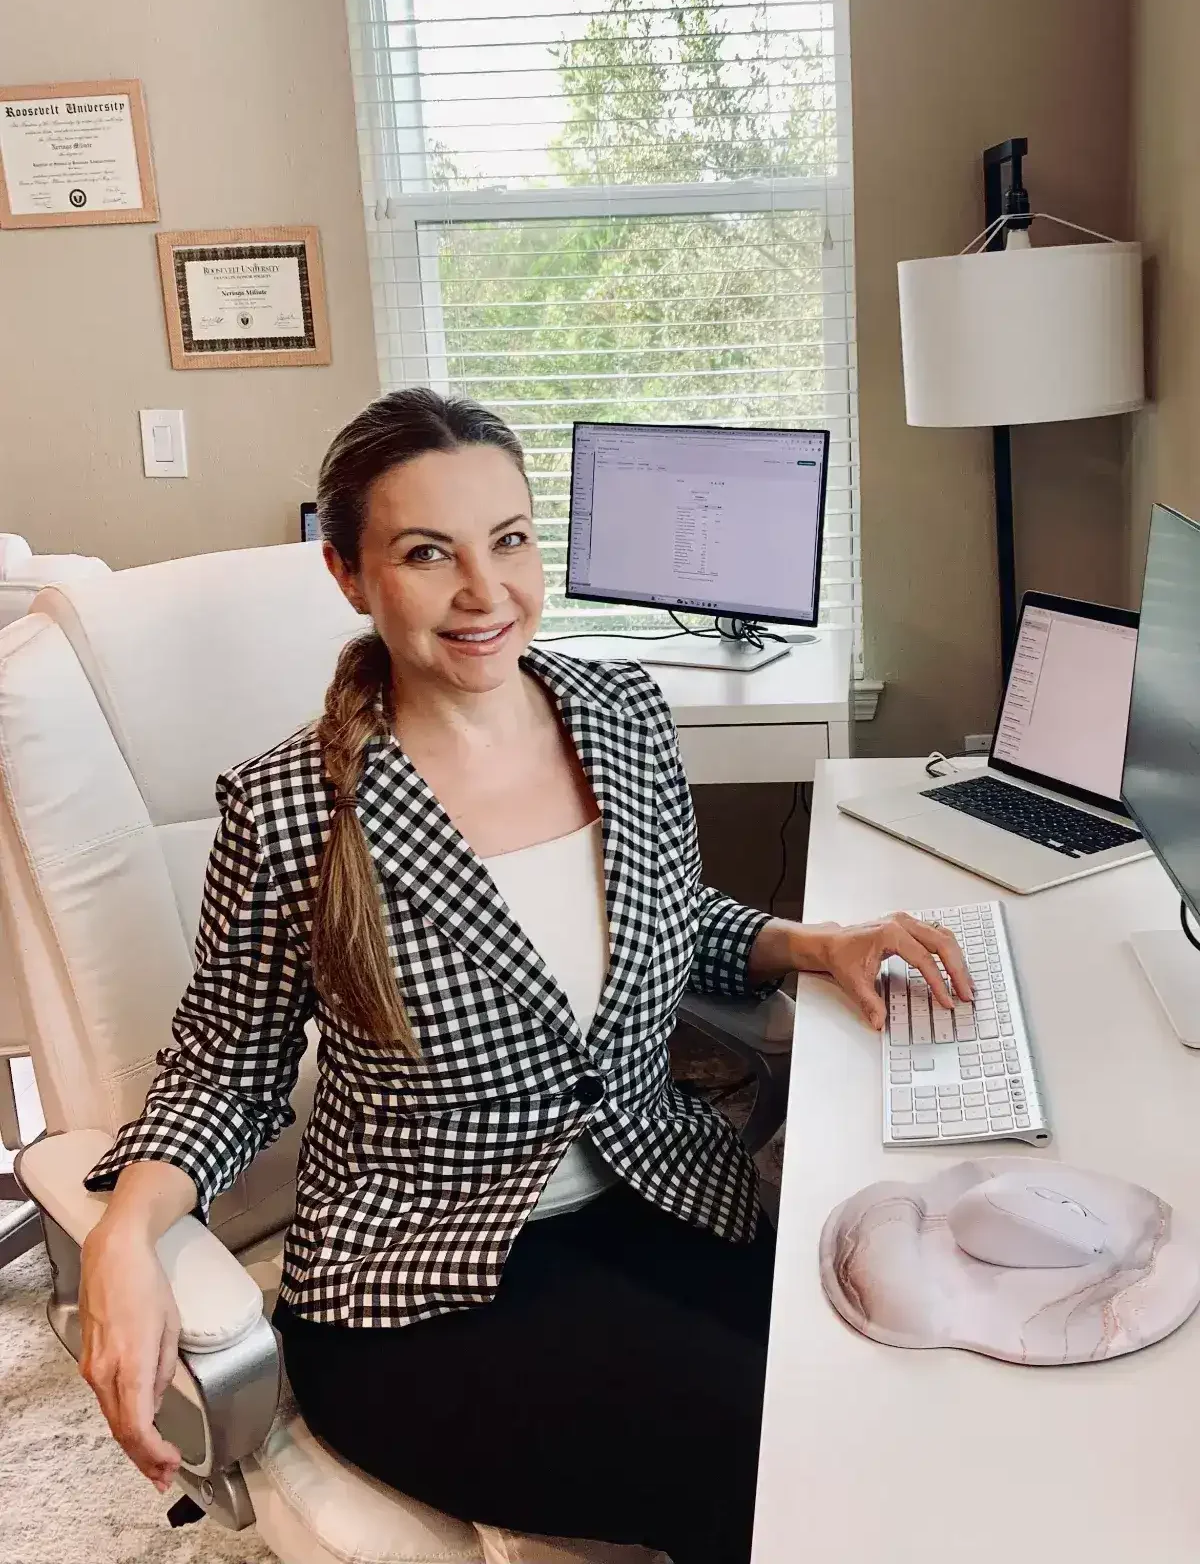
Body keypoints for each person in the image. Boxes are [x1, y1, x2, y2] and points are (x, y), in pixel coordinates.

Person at [76, 389, 972, 1564]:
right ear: (349, 574)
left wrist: (815, 941)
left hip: (662, 1201)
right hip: (420, 1289)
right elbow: (226, 1071)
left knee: (895, 1395)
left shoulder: (627, 715)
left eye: (509, 539)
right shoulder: (292, 807)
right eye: (426, 553)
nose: (485, 591)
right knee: (764, 1467)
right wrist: (121, 1241)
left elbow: (668, 923)